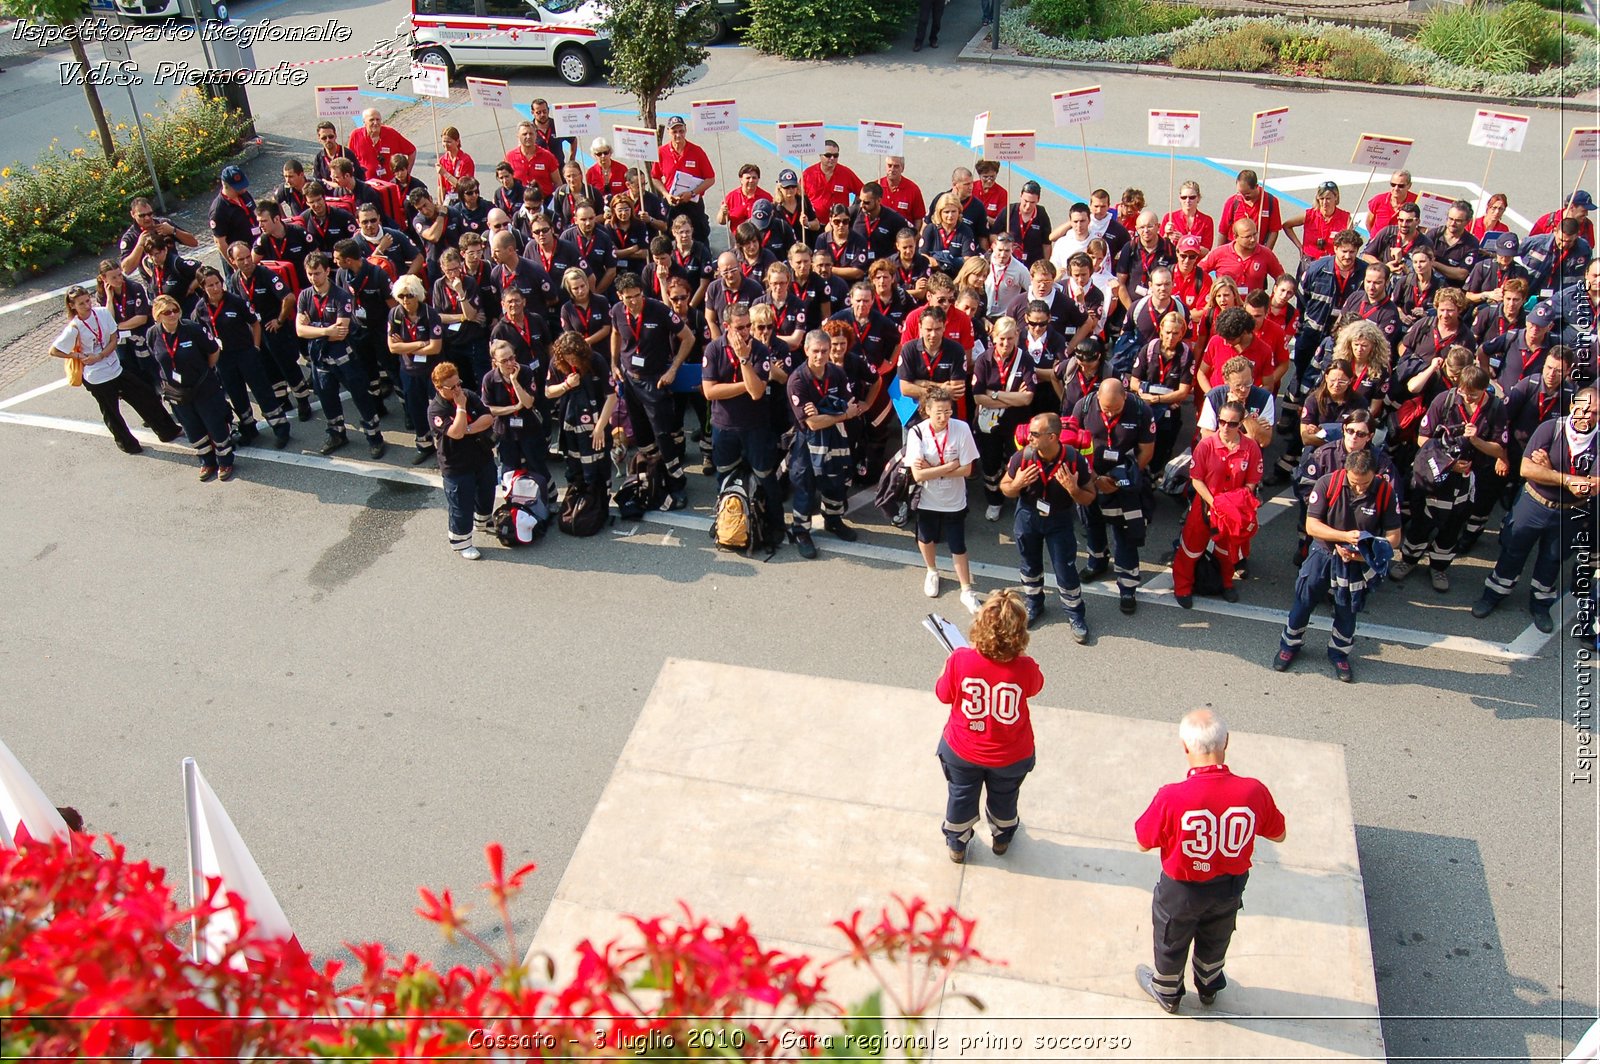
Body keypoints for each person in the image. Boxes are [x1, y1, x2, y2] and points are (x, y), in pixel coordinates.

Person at [1133, 709, 1286, 1013]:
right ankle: (1209, 984)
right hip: (1229, 887)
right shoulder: (1253, 790)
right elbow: (1279, 835)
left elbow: (1142, 841)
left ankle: (1168, 991)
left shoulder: (1172, 796)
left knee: (1171, 940)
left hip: (1182, 890)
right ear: (1226, 742)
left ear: (1184, 746)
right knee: (1217, 936)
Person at [1473, 387, 1597, 633]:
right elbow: (1527, 470)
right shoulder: (1550, 428)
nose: (1588, 416)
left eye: (1595, 412)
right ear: (1573, 407)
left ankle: (1540, 604)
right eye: (1583, 409)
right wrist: (1569, 480)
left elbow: (1592, 487)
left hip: (1570, 512)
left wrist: (1549, 470)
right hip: (1533, 503)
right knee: (1513, 549)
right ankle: (1493, 594)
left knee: (1552, 558)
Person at [933, 589, 1043, 863]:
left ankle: (957, 844)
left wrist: (946, 668)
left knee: (960, 795)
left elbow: (943, 694)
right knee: (1005, 798)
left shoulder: (959, 659)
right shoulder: (1026, 667)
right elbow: (1035, 688)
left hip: (962, 750)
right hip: (1011, 754)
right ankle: (1001, 839)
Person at [1274, 449, 1402, 681]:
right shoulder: (1327, 483)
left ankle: (1339, 653)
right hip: (1323, 553)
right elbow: (1312, 526)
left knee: (1347, 609)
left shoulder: (1385, 491)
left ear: (1374, 474)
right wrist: (1344, 538)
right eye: (1355, 483)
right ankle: (1289, 645)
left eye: (1365, 483)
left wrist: (1365, 553)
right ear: (1346, 472)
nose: (1360, 488)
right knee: (1303, 600)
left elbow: (1394, 537)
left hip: (1357, 561)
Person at [1393, 365, 1508, 589]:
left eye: (1473, 394)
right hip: (1436, 475)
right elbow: (1423, 439)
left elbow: (1499, 449)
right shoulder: (1444, 400)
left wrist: (1476, 442)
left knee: (1453, 526)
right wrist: (1449, 464)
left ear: (1485, 390)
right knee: (1422, 522)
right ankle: (1408, 561)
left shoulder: (1496, 408)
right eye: (1464, 392)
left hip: (1468, 481)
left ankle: (1439, 568)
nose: (1467, 398)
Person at [50, 285, 180, 455]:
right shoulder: (74, 327)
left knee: (144, 394)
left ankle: (166, 430)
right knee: (112, 412)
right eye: (81, 304)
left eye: (88, 301)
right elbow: (54, 351)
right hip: (97, 376)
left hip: (114, 367)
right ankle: (128, 444)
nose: (87, 306)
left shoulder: (102, 313)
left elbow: (114, 337)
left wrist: (102, 355)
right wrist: (79, 356)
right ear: (72, 305)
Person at [1001, 412, 1097, 639]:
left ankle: (1075, 614)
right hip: (1027, 515)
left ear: (1052, 437)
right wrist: (1017, 483)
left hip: (1059, 519)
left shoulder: (1074, 459)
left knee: (1065, 569)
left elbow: (1090, 497)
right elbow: (1004, 487)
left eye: (1035, 434)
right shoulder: (1023, 456)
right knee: (1029, 565)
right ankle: (1034, 604)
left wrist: (1073, 490)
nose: (1029, 438)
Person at [612, 272, 697, 509]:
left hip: (654, 381)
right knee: (642, 436)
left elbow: (688, 338)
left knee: (663, 435)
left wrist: (673, 370)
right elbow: (615, 333)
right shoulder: (618, 311)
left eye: (638, 295)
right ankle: (653, 474)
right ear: (620, 296)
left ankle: (677, 482)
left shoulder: (659, 310)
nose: (634, 301)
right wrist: (613, 363)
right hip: (630, 381)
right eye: (628, 297)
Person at [1075, 379, 1157, 614]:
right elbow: (1073, 446)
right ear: (1098, 397)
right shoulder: (1083, 406)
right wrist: (1094, 479)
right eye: (1106, 409)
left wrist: (1121, 481)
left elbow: (1146, 452)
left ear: (1126, 397)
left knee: (1125, 534)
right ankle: (1097, 561)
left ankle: (1128, 586)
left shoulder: (1142, 410)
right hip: (1091, 478)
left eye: (1116, 410)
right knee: (1092, 524)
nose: (1110, 414)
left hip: (1125, 484)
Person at [1172, 400, 1263, 608]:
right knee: (1190, 548)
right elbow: (1196, 479)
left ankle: (1226, 583)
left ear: (1241, 423)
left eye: (1232, 423)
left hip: (1233, 511)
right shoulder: (1206, 445)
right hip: (1205, 506)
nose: (1225, 427)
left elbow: (1252, 481)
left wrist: (1234, 502)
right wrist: (1216, 504)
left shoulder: (1250, 448)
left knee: (1227, 551)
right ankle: (1183, 586)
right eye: (1221, 421)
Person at [296, 251, 386, 459]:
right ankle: (336, 434)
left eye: (317, 273)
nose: (313, 278)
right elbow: (300, 331)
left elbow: (342, 330)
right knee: (327, 397)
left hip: (344, 357)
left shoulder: (342, 296)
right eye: (309, 274)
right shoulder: (305, 296)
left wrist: (314, 327)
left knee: (361, 396)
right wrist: (326, 330)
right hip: (319, 357)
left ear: (327, 271)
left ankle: (374, 438)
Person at [190, 265, 291, 449]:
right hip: (223, 359)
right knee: (237, 396)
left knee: (262, 391)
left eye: (218, 283)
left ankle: (280, 428)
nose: (215, 288)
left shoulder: (235, 301)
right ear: (203, 288)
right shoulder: (200, 310)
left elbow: (255, 324)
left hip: (245, 353)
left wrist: (255, 347)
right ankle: (249, 428)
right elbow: (200, 335)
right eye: (210, 285)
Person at [702, 300, 779, 531]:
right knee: (724, 477)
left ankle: (775, 525)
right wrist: (744, 384)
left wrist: (744, 359)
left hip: (755, 426)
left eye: (748, 326)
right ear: (727, 326)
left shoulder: (760, 350)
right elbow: (709, 391)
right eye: (740, 328)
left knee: (765, 476)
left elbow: (756, 393)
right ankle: (726, 521)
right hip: (724, 427)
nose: (746, 332)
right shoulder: (714, 349)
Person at [786, 329, 862, 556]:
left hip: (836, 437)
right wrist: (839, 413)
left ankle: (833, 519)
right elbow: (812, 424)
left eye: (824, 351)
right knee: (805, 485)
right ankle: (801, 530)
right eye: (815, 351)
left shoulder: (837, 373)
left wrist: (821, 410)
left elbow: (853, 406)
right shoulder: (797, 380)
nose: (820, 356)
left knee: (836, 479)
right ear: (806, 350)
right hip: (806, 441)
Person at [907, 387, 982, 612]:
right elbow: (918, 474)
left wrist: (936, 469)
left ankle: (966, 589)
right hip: (927, 498)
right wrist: (950, 467)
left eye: (948, 411)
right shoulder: (917, 433)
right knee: (926, 536)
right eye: (938, 412)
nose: (943, 417)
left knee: (958, 544)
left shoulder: (962, 429)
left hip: (954, 499)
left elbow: (967, 469)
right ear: (927, 410)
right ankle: (932, 571)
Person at [145, 295, 236, 481]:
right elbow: (156, 359)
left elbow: (213, 351)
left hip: (203, 388)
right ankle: (206, 461)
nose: (172, 315)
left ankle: (225, 460)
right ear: (157, 316)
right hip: (177, 393)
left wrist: (205, 371)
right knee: (192, 427)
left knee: (215, 425)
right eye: (167, 312)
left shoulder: (192, 329)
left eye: (175, 310)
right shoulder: (153, 334)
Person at [428, 362, 496, 559]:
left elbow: (488, 418)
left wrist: (467, 429)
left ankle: (483, 521)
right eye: (452, 387)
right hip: (456, 465)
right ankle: (461, 541)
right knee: (461, 506)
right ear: (439, 387)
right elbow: (455, 433)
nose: (458, 389)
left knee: (486, 492)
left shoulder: (468, 394)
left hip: (480, 456)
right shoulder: (436, 410)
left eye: (459, 383)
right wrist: (460, 408)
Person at [547, 330, 617, 493]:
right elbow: (549, 392)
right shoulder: (557, 362)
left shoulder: (596, 360)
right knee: (574, 462)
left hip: (596, 419)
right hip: (570, 421)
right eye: (568, 358)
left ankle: (600, 499)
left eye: (574, 358)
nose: (572, 361)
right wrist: (566, 385)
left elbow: (611, 396)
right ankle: (580, 498)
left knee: (599, 462)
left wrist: (600, 428)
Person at [387, 274, 445, 464]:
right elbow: (393, 347)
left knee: (438, 409)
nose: (405, 300)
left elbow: (435, 347)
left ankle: (445, 446)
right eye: (402, 296)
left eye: (409, 295)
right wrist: (420, 343)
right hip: (409, 372)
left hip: (432, 372)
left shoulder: (430, 314)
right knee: (415, 409)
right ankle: (424, 445)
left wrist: (406, 345)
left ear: (418, 295)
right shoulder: (395, 315)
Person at [1129, 310, 1195, 475]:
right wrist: (1144, 396)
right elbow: (1133, 382)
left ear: (1181, 334)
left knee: (1164, 444)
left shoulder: (1186, 355)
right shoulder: (1149, 349)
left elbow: (1183, 392)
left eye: (1175, 333)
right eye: (1167, 332)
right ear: (1160, 331)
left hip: (1168, 408)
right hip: (1146, 406)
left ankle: (1156, 473)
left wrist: (1158, 399)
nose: (1170, 337)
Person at [652, 115, 715, 243]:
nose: (678, 135)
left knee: (699, 236)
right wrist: (666, 194)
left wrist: (692, 193)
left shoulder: (697, 151)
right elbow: (655, 177)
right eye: (674, 132)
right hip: (671, 202)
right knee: (667, 237)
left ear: (685, 130)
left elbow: (710, 178)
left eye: (681, 131)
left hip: (692, 203)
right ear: (669, 132)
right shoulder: (661, 152)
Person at [1198, 220, 1282, 294]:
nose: (1253, 239)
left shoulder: (1266, 254)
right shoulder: (1219, 253)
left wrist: (1274, 300)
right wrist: (1209, 295)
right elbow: (1197, 273)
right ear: (1235, 237)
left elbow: (1281, 279)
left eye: (1255, 234)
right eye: (1247, 237)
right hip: (1226, 309)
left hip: (1253, 308)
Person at [1282, 181, 1351, 264]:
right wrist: (1299, 246)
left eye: (1328, 199)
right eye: (1321, 198)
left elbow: (1350, 243)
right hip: (1310, 262)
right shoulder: (1309, 215)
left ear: (1336, 197)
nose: (1324, 202)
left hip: (1333, 262)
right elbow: (1287, 225)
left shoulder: (1345, 218)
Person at [1216, 169, 1281, 251]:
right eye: (1241, 193)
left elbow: (1274, 231)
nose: (1243, 197)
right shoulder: (1232, 202)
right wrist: (1218, 253)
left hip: (1257, 249)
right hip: (1234, 252)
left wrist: (1266, 252)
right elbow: (1223, 231)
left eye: (1247, 194)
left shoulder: (1270, 201)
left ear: (1256, 186)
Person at [347, 108, 414, 183]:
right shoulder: (355, 135)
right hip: (367, 184)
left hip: (390, 183)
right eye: (371, 120)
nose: (375, 123)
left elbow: (412, 151)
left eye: (378, 119)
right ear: (364, 122)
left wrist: (406, 175)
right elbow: (349, 160)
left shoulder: (391, 134)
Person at [1162, 181, 1214, 254]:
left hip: (1196, 263)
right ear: (1179, 199)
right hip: (1174, 262)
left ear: (1198, 198)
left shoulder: (1206, 221)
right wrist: (1166, 236)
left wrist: (1184, 240)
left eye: (1192, 197)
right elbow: (1159, 247)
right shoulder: (1169, 217)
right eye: (1184, 197)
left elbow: (1206, 250)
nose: (1187, 201)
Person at [1364, 169, 1416, 234]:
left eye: (1401, 186)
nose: (1396, 188)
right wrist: (1375, 239)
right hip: (1378, 242)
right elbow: (1368, 222)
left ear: (1409, 186)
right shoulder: (1378, 200)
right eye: (1393, 184)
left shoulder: (1416, 201)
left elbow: (1423, 227)